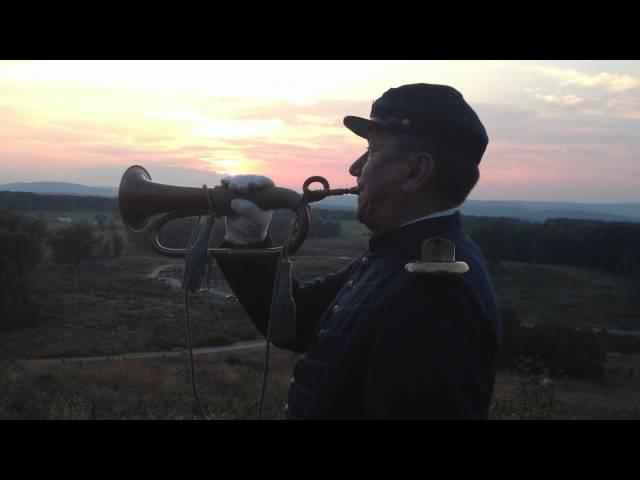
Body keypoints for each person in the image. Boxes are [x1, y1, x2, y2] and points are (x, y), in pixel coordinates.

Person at [214, 83, 501, 419]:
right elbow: (296, 322)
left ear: (416, 171)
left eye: (372, 151)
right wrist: (249, 239)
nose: (355, 168)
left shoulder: (434, 289)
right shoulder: (397, 255)